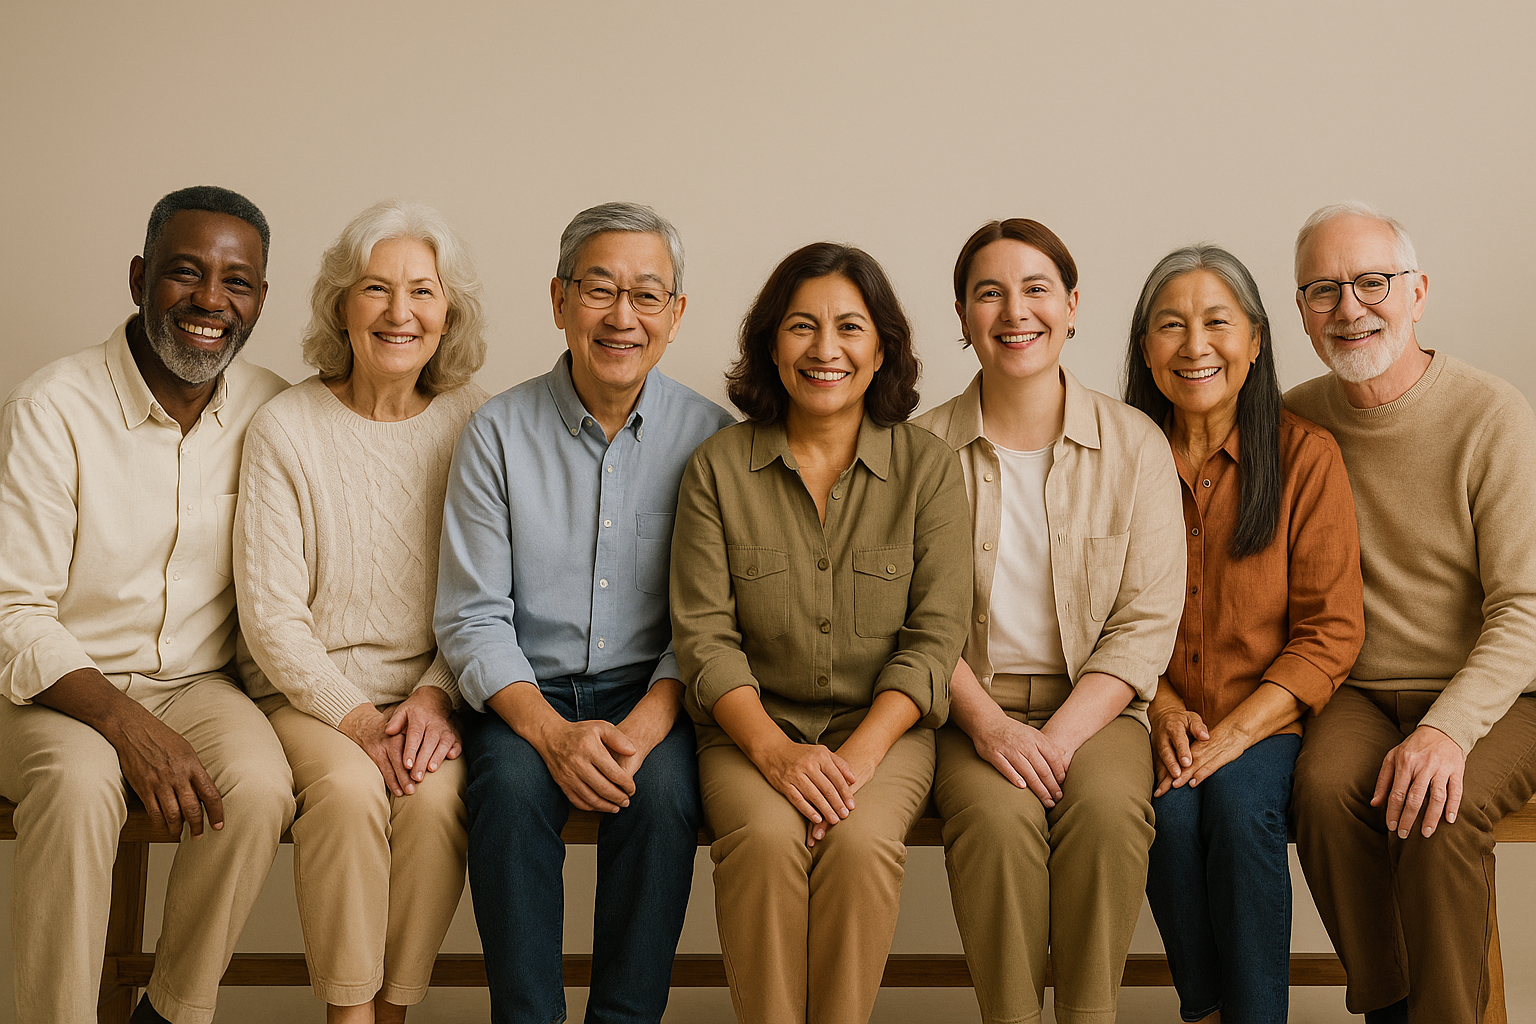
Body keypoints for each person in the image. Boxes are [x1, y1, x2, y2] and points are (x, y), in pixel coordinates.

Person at [433, 202, 734, 1024]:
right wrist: (551, 733)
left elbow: (706, 625)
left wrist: (642, 726)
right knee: (504, 793)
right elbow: (473, 618)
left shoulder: (713, 442)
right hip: (524, 693)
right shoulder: (495, 433)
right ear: (560, 301)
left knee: (665, 799)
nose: (622, 316)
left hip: (655, 696)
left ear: (676, 316)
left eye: (647, 295)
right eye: (600, 290)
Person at [0, 186, 293, 1024]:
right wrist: (126, 724)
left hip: (199, 685)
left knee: (262, 786)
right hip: (52, 687)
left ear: (260, 301)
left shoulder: (274, 411)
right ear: (139, 278)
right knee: (80, 782)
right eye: (185, 273)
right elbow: (13, 613)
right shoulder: (51, 407)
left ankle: (168, 1014)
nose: (210, 301)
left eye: (237, 282)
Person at [671, 241, 972, 1024]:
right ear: (772, 344)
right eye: (802, 327)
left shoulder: (929, 470)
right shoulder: (717, 468)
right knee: (767, 846)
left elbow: (935, 636)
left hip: (884, 732)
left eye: (849, 327)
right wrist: (776, 752)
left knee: (861, 842)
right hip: (748, 732)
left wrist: (855, 758)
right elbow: (705, 638)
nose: (825, 349)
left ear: (882, 350)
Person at [914, 218, 1185, 1024]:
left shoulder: (1136, 445)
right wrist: (994, 730)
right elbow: (912, 622)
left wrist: (1060, 738)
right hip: (972, 712)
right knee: (996, 825)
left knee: (1107, 815)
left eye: (1035, 289)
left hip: (1098, 711)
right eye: (988, 293)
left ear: (1071, 306)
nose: (1013, 311)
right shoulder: (918, 451)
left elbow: (1145, 622)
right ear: (963, 318)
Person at [233, 199, 488, 1024]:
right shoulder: (285, 428)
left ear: (449, 313)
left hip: (426, 693)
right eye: (376, 289)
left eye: (423, 291)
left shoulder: (473, 423)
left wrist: (431, 696)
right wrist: (356, 717)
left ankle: (392, 1010)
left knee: (438, 801)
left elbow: (490, 593)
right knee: (348, 794)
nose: (399, 311)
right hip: (309, 693)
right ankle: (348, 1014)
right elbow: (270, 617)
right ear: (342, 304)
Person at [1285, 202, 1536, 1024]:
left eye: (1373, 282)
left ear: (1418, 292)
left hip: (1504, 693)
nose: (1349, 308)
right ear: (1301, 312)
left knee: (1438, 815)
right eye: (1324, 290)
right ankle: (1393, 1006)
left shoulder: (1492, 415)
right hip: (1359, 690)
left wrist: (1446, 730)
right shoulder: (1295, 419)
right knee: (1321, 792)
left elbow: (1526, 609)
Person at [1123, 244, 1365, 1024]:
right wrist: (1160, 707)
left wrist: (1235, 731)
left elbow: (1330, 631)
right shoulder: (1119, 458)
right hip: (1145, 709)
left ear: (1255, 341)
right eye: (1171, 326)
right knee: (1168, 809)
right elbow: (1094, 614)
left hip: (1268, 714)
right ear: (1146, 349)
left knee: (1236, 807)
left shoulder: (1304, 455)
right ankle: (1209, 1009)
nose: (1196, 346)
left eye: (1217, 323)